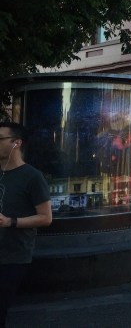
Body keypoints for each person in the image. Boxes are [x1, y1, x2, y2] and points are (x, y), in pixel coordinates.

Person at [0, 122, 53, 327]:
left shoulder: (32, 177)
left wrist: (10, 222)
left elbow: (45, 218)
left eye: (0, 139)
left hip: (12, 257)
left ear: (16, 143)